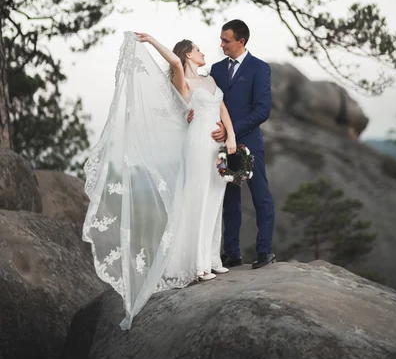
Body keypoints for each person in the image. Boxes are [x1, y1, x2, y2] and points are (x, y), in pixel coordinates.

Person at [83, 31, 236, 330]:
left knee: (215, 198)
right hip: (196, 144)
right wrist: (151, 41)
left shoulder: (211, 80)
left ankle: (211, 258)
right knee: (197, 198)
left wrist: (230, 137)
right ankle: (197, 264)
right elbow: (174, 63)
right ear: (188, 54)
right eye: (198, 49)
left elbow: (222, 109)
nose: (204, 53)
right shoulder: (183, 79)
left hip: (216, 146)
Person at [210, 19, 275, 269]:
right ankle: (232, 253)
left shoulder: (259, 68)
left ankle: (265, 251)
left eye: (226, 40)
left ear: (241, 41)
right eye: (221, 39)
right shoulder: (216, 70)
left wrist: (230, 130)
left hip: (249, 143)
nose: (221, 44)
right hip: (224, 147)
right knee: (229, 201)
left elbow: (262, 111)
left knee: (261, 198)